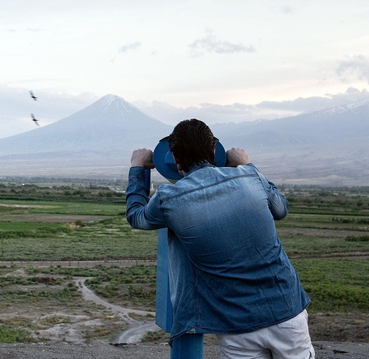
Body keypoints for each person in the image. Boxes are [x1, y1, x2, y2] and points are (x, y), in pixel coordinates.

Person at [126, 119, 314, 359]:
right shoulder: (250, 177)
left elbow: (136, 217)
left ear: (173, 158)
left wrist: (137, 168)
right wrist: (247, 164)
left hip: (236, 325)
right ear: (215, 151)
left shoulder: (168, 198)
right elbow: (280, 209)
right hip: (287, 310)